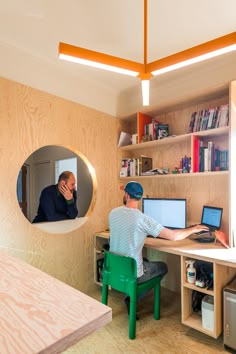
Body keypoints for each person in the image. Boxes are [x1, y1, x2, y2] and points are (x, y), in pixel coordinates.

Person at [109, 181, 209, 315]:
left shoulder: (113, 213)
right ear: (140, 198)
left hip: (114, 269)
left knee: (143, 260)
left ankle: (130, 294)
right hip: (133, 274)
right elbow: (173, 236)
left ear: (126, 195)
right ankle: (132, 297)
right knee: (163, 266)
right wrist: (193, 229)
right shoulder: (142, 219)